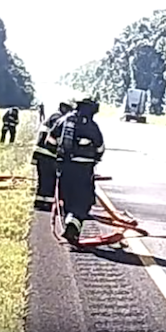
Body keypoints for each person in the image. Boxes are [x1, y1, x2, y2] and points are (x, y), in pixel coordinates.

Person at [49, 97, 106, 245]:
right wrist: (94, 158)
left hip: (65, 168)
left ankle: (70, 222)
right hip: (84, 170)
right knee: (83, 201)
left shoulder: (64, 120)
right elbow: (100, 148)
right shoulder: (92, 126)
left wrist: (58, 157)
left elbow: (50, 140)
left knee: (68, 198)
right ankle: (72, 228)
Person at [31, 101, 73, 209]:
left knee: (44, 179)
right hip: (48, 153)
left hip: (42, 153)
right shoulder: (58, 118)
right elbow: (58, 137)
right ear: (63, 107)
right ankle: (47, 204)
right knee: (49, 179)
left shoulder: (53, 116)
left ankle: (40, 202)